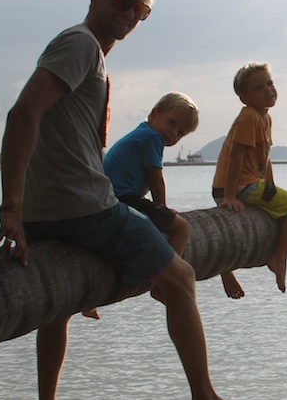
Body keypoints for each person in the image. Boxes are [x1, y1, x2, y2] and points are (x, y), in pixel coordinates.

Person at [0, 0, 248, 400]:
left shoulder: (90, 55)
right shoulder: (81, 44)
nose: (130, 14)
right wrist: (10, 210)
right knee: (181, 279)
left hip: (57, 209)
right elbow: (22, 113)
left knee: (57, 309)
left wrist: (24, 209)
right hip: (84, 207)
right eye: (123, 2)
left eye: (142, 10)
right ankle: (204, 397)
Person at [72, 91, 198, 319]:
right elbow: (155, 178)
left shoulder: (143, 131)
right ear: (154, 114)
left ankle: (89, 300)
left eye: (180, 132)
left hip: (107, 198)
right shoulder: (153, 138)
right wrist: (162, 208)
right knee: (181, 228)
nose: (173, 133)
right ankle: (168, 282)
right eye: (172, 123)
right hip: (123, 197)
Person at [212, 62, 287, 296]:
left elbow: (264, 159)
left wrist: (271, 186)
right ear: (244, 98)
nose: (268, 90)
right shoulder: (250, 117)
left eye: (270, 83)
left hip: (242, 185)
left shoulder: (265, 118)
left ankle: (226, 271)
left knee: (233, 231)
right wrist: (230, 195)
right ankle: (280, 258)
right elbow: (236, 155)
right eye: (258, 87)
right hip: (240, 186)